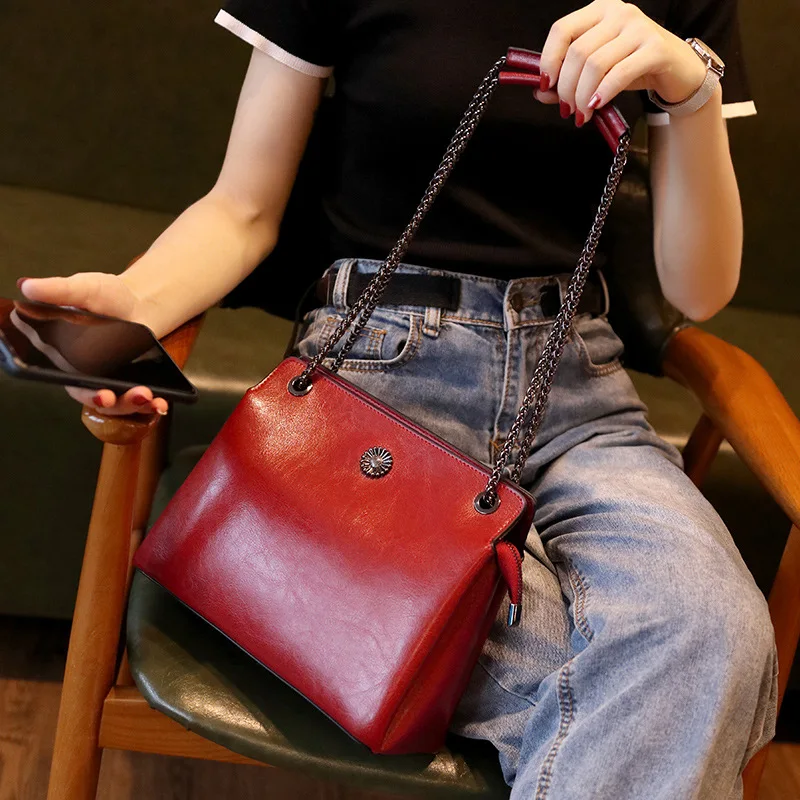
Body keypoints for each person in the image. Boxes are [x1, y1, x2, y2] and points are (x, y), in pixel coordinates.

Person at [18, 0, 777, 796]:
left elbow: (697, 288)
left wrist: (691, 90)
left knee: (715, 628)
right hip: (373, 376)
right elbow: (242, 209)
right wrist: (137, 302)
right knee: (685, 678)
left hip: (579, 391)